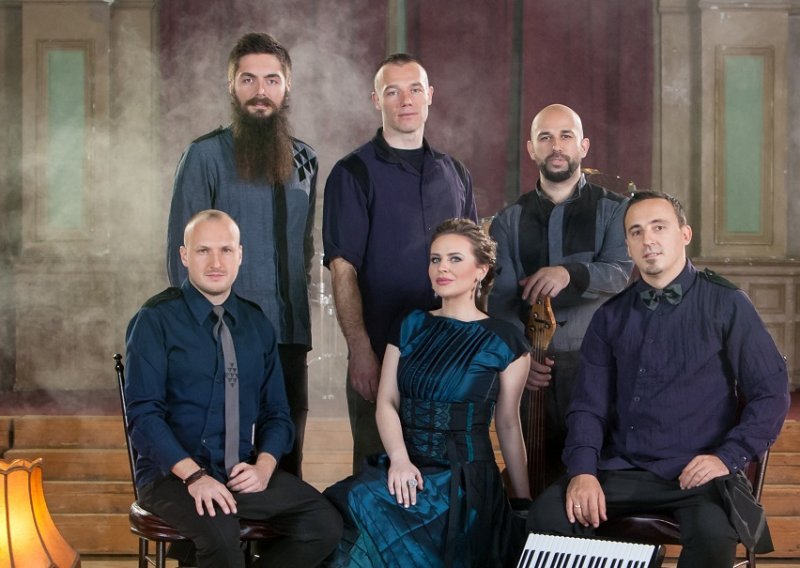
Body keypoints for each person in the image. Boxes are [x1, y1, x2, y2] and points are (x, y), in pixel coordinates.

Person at [526, 191, 790, 567]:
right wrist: (583, 471)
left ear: (685, 234)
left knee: (715, 534)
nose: (648, 239)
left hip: (696, 474)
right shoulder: (610, 316)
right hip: (622, 467)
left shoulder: (728, 303)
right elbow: (588, 406)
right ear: (628, 246)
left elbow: (771, 392)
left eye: (659, 227)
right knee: (547, 515)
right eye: (636, 232)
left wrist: (726, 458)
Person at [126, 210, 341, 568]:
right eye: (203, 250)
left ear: (240, 255)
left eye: (225, 250)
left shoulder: (257, 324)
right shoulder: (154, 320)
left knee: (323, 524)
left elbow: (277, 413)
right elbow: (143, 418)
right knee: (222, 534)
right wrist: (195, 476)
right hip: (171, 477)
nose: (215, 262)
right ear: (184, 256)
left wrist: (264, 467)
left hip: (238, 473)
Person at [324, 218, 531, 567]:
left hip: (463, 480)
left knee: (370, 505)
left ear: (481, 270)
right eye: (435, 259)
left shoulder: (506, 341)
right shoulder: (410, 324)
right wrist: (399, 460)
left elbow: (509, 423)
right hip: (405, 465)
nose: (442, 268)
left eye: (454, 259)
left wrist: (522, 501)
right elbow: (387, 402)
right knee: (343, 505)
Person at [166, 32, 315, 477]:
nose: (260, 91)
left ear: (287, 86)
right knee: (225, 455)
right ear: (231, 86)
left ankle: (283, 524)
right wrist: (199, 335)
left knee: (285, 455)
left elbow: (304, 248)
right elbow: (181, 255)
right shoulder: (204, 156)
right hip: (222, 333)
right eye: (248, 79)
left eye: (271, 80)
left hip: (288, 334)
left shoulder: (306, 160)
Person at [323, 53, 478, 472]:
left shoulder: (456, 173)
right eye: (392, 92)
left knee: (446, 476)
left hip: (449, 356)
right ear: (377, 100)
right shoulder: (352, 173)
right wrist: (360, 350)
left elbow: (475, 266)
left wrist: (476, 346)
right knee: (378, 478)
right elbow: (343, 270)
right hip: (380, 353)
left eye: (414, 89)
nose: (405, 100)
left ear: (430, 96)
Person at [488, 103, 632, 484]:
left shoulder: (615, 210)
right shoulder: (508, 221)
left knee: (597, 474)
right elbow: (501, 303)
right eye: (546, 137)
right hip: (535, 368)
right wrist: (519, 358)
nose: (556, 146)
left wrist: (569, 274)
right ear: (531, 149)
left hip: (598, 365)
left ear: (583, 146)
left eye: (566, 136)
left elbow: (620, 273)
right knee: (536, 474)